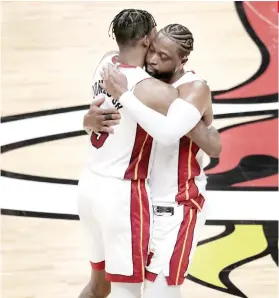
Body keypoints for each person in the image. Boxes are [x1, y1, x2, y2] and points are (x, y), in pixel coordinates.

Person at [87, 24, 221, 298]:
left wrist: (193, 123)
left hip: (178, 203)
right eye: (152, 51)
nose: (153, 60)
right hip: (140, 202)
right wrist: (87, 121)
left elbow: (201, 142)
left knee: (162, 293)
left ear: (182, 61)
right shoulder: (143, 80)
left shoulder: (193, 88)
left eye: (164, 56)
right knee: (107, 287)